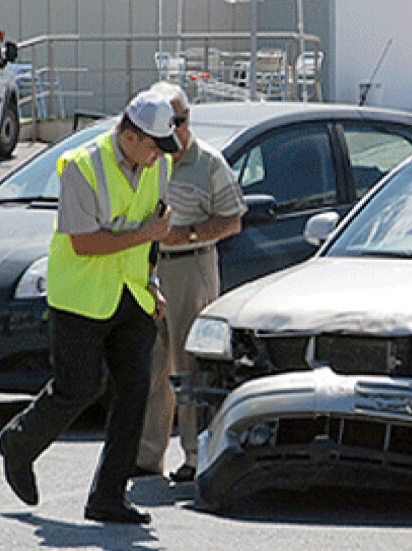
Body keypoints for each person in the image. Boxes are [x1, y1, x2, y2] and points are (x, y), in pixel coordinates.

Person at [0, 89, 179, 525]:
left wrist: (153, 284)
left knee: (134, 395)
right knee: (77, 388)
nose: (159, 156)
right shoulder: (82, 166)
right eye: (153, 146)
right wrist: (146, 234)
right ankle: (18, 444)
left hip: (132, 296)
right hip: (80, 295)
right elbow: (85, 242)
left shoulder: (161, 165)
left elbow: (153, 233)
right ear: (129, 136)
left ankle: (107, 498)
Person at [135, 81, 246, 483]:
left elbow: (233, 219)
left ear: (188, 119)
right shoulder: (150, 159)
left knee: (190, 367)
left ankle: (196, 457)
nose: (173, 129)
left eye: (178, 121)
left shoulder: (209, 162)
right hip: (149, 265)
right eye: (166, 122)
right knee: (151, 365)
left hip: (190, 265)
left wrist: (191, 235)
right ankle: (147, 457)